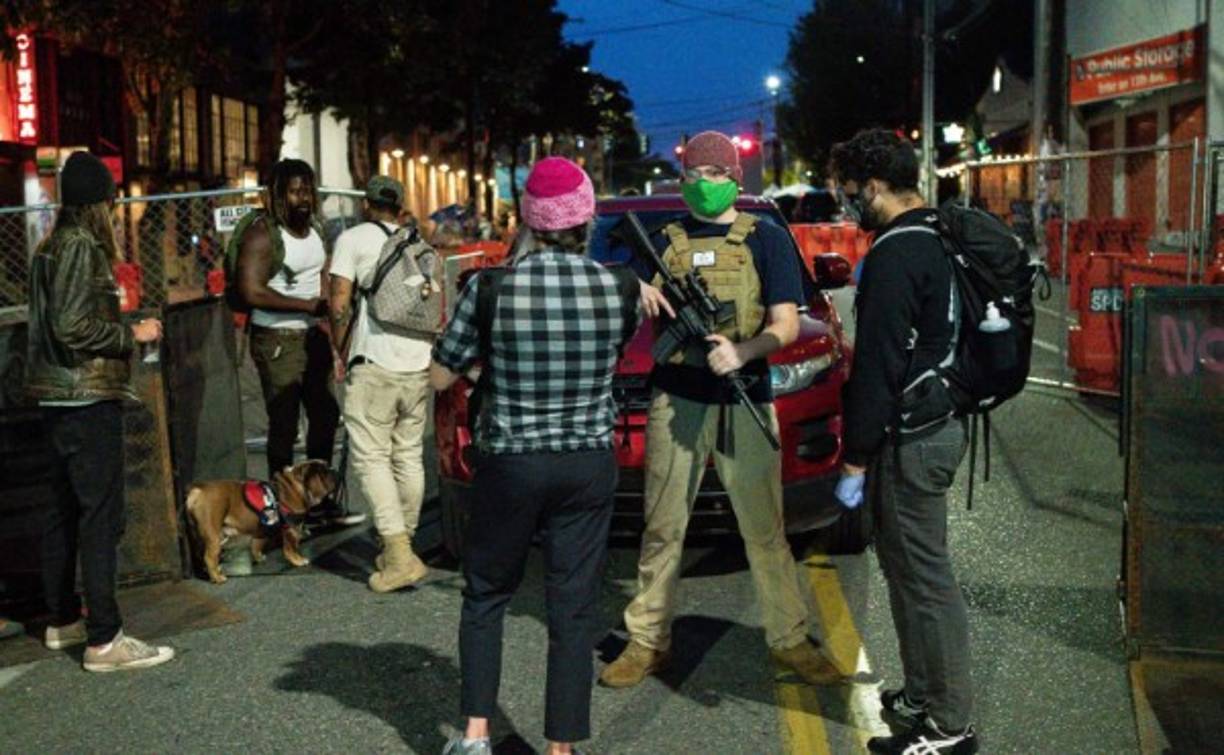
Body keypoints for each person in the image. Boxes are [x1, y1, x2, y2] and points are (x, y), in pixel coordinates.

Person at [599, 131, 843, 689]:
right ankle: (646, 641)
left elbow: (784, 322)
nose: (700, 185)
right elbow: (602, 275)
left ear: (734, 178)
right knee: (662, 527)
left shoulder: (766, 238)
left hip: (744, 395)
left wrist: (744, 351)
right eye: (691, 175)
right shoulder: (662, 239)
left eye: (712, 174)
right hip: (676, 398)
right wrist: (631, 284)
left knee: (764, 528)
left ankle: (789, 639)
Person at [432, 157, 649, 755]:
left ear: (529, 219)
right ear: (586, 220)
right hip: (586, 461)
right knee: (573, 603)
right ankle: (563, 745)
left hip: (510, 461)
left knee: (486, 593)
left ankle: (476, 734)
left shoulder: (490, 288)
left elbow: (440, 373)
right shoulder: (620, 287)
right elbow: (615, 352)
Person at [829, 129, 977, 754]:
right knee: (906, 572)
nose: (844, 203)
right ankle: (921, 697)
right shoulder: (938, 235)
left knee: (924, 579)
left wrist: (856, 455)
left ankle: (950, 727)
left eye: (848, 190)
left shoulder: (894, 252)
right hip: (938, 422)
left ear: (875, 186)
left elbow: (880, 364)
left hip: (913, 435)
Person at [25, 151, 175, 672]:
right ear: (100, 204)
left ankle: (63, 620)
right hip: (84, 398)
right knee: (99, 517)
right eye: (111, 202)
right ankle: (104, 640)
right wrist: (130, 333)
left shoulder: (48, 246)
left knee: (64, 511)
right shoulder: (79, 246)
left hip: (57, 397)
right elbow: (72, 327)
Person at [236, 158, 363, 526]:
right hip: (277, 338)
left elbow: (319, 279)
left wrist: (332, 326)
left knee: (325, 414)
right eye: (294, 191)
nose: (303, 197)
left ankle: (319, 499)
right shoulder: (262, 234)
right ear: (278, 194)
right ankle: (282, 506)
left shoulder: (314, 229)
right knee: (285, 422)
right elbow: (250, 291)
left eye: (307, 189)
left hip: (311, 334)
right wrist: (307, 305)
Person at [329, 176, 430, 592]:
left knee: (371, 458)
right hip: (419, 360)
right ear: (400, 208)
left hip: (375, 361)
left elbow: (339, 300)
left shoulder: (352, 239)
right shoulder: (418, 243)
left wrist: (340, 349)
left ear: (368, 204)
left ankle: (399, 554)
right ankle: (401, 547)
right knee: (407, 455)